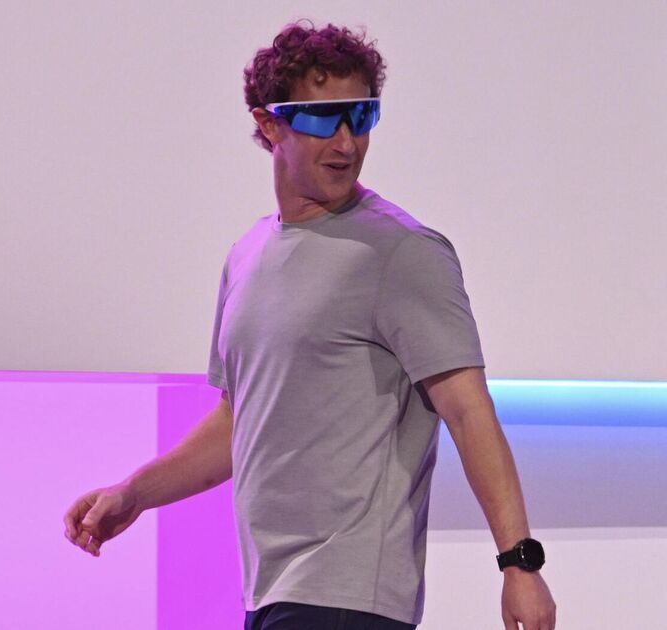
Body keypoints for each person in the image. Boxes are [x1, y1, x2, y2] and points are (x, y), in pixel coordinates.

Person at [64, 21, 557, 630]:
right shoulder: (247, 256)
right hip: (270, 591)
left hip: (349, 596)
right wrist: (135, 493)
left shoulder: (402, 253)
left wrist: (519, 563)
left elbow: (467, 409)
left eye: (361, 116)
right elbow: (241, 420)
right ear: (269, 124)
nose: (347, 142)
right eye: (324, 120)